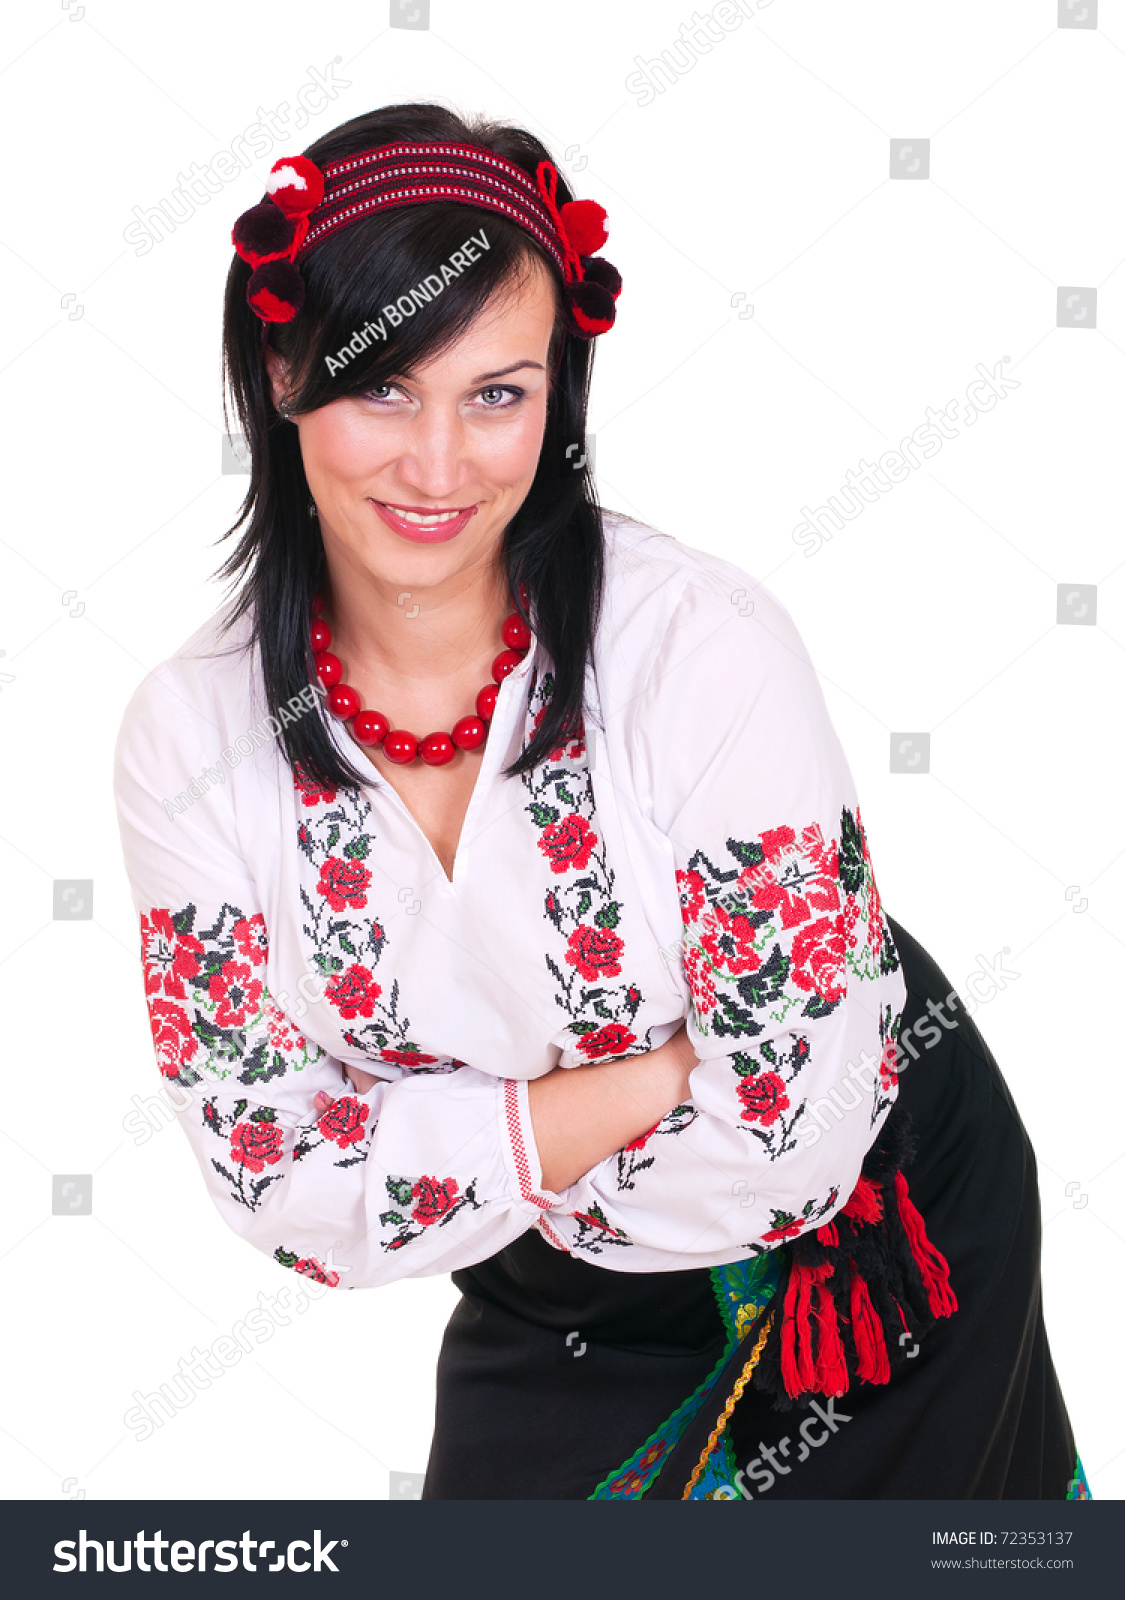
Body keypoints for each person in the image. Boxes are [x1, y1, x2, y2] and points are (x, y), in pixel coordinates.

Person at [113, 102, 1088, 1501]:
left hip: (872, 1231)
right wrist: (642, 1082)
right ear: (281, 372)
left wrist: (448, 1149)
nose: (438, 466)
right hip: (548, 1279)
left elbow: (788, 1121)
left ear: (555, 397)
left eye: (496, 394)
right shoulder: (193, 737)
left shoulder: (697, 648)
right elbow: (279, 1179)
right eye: (383, 387)